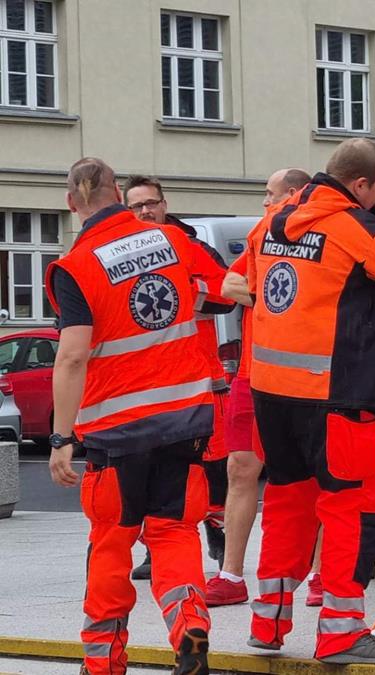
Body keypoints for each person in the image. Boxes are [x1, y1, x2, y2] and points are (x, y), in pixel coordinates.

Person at [245, 139, 375, 664]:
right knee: (350, 507)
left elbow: (253, 286)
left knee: (286, 504)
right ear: (361, 185)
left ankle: (268, 623)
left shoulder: (273, 220)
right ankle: (342, 632)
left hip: (273, 391)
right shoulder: (356, 226)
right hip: (339, 392)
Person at [48, 157, 215, 675]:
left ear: (72, 203)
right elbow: (222, 288)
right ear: (119, 193)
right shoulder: (171, 239)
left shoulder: (76, 267)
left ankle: (103, 663)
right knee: (174, 532)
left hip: (115, 432)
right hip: (184, 420)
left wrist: (60, 437)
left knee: (112, 542)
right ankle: (190, 629)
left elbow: (72, 356)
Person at [205, 168, 311, 607]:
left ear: (293, 194)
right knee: (240, 468)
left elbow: (318, 298)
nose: (264, 202)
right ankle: (231, 575)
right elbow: (229, 283)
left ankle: (320, 574)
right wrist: (274, 299)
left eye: (270, 194)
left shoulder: (320, 235)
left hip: (306, 378)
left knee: (313, 477)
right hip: (252, 375)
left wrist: (263, 296)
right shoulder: (260, 235)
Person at [124, 175, 237, 580]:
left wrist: (183, 292)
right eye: (137, 206)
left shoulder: (191, 246)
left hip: (199, 380)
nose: (145, 211)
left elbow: (228, 293)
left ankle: (219, 536)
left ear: (164, 204)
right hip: (145, 385)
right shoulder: (120, 254)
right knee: (153, 470)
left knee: (213, 469)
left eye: (151, 203)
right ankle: (156, 547)